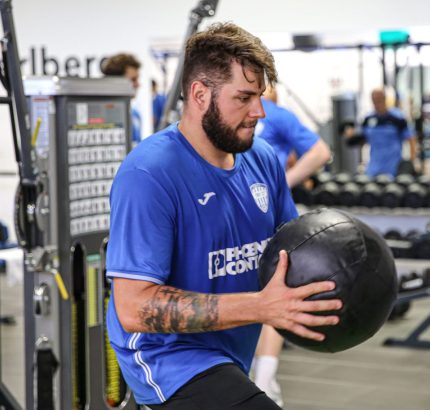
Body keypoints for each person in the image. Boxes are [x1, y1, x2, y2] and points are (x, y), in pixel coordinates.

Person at [105, 23, 342, 410]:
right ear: (200, 94)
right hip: (168, 359)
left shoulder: (262, 159)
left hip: (230, 352)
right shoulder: (148, 174)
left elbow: (290, 250)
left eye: (260, 96)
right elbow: (132, 308)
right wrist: (260, 307)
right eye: (245, 98)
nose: (259, 111)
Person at [251, 83, 331, 405]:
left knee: (269, 296)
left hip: (268, 216)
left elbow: (321, 152)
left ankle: (265, 381)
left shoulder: (277, 116)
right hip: (235, 217)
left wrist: (282, 183)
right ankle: (260, 380)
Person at [359, 88, 417, 177]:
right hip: (373, 169)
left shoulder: (398, 118)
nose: (376, 104)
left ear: (384, 99)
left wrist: (411, 161)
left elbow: (411, 139)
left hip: (394, 169)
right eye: (374, 100)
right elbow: (361, 140)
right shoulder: (368, 119)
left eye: (379, 100)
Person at [101, 53, 143, 144]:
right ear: (117, 81)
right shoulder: (101, 119)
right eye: (133, 79)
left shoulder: (135, 114)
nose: (138, 85)